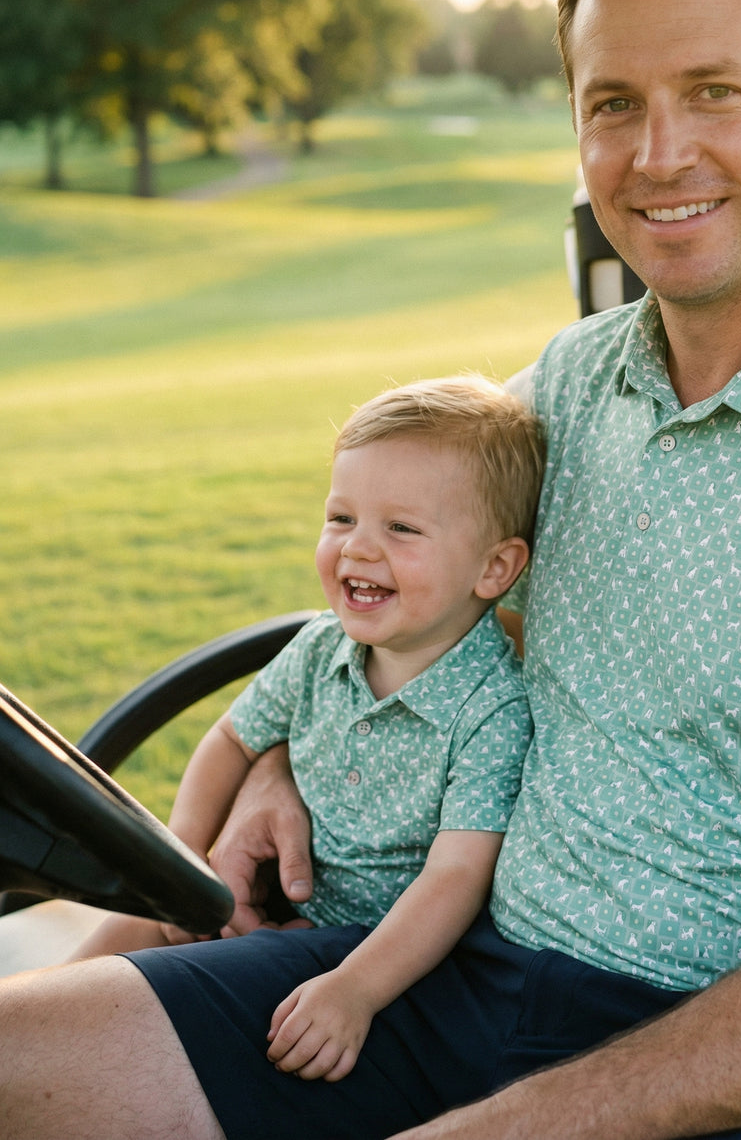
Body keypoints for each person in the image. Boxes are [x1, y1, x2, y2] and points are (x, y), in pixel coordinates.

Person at [0, 0, 741, 1140]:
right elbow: (413, 584)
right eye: (614, 104)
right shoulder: (576, 383)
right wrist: (281, 754)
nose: (658, 152)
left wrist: (507, 1128)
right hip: (478, 981)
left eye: (714, 90)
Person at [70, 374, 543, 1084]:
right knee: (126, 932)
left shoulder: (492, 709)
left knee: (152, 1013)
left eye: (401, 528)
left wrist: (356, 988)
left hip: (363, 953)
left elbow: (454, 878)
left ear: (495, 566)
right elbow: (234, 740)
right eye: (341, 518)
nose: (357, 549)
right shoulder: (321, 649)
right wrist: (186, 863)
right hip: (261, 898)